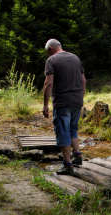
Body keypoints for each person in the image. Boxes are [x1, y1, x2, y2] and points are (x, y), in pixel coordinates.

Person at [43, 39, 86, 175]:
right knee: (73, 129)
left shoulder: (51, 60)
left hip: (62, 102)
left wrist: (45, 104)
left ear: (50, 49)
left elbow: (48, 83)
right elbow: (83, 80)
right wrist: (81, 96)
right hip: (77, 101)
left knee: (63, 132)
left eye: (47, 52)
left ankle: (67, 165)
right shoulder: (75, 58)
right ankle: (77, 156)